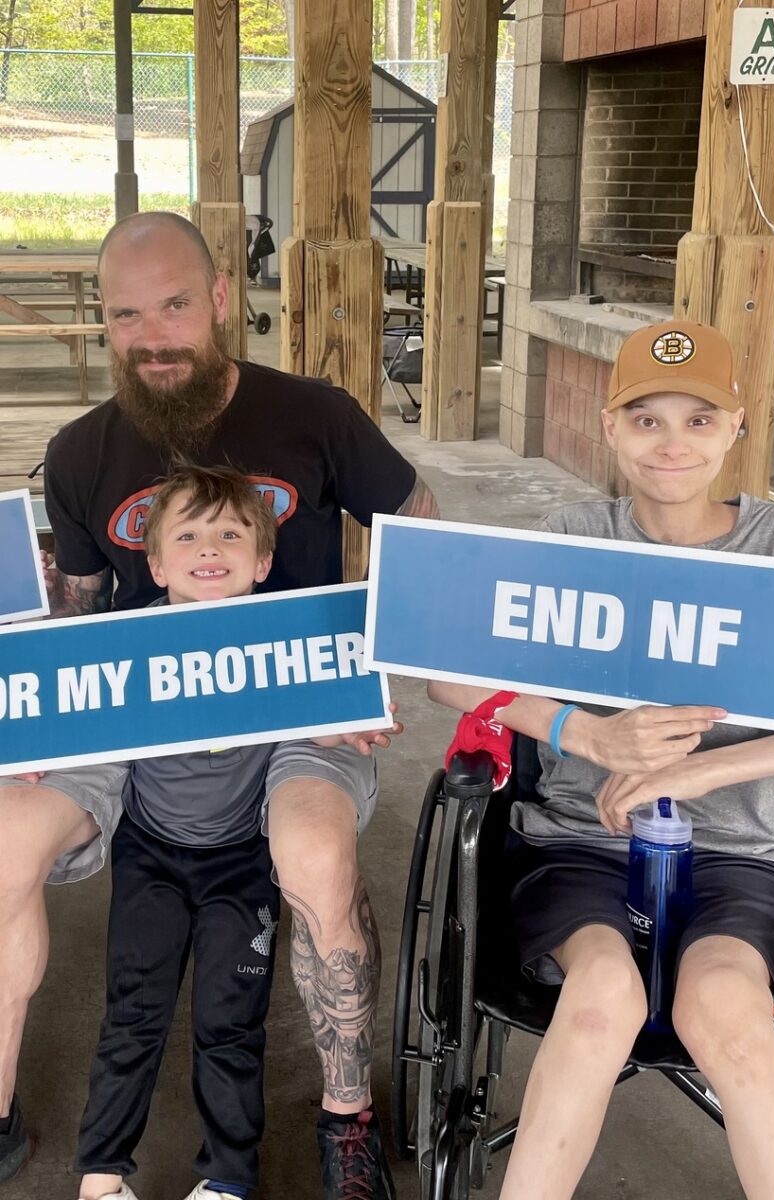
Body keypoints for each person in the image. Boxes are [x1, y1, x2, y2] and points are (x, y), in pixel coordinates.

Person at [0, 211, 436, 1197]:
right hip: (142, 704)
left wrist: (372, 670)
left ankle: (345, 1117)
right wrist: (33, 711)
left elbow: (426, 540)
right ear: (102, 324)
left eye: (175, 305)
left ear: (223, 302)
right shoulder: (77, 455)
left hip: (299, 713)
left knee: (314, 850)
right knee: (2, 834)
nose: (153, 336)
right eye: (125, 316)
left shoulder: (316, 416)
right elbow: (74, 613)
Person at [428, 319, 774, 1200]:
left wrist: (703, 770)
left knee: (722, 1008)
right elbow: (448, 679)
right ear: (610, 428)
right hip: (583, 843)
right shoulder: (575, 536)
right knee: (603, 996)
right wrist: (586, 733)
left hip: (743, 854)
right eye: (646, 419)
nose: (671, 443)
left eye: (697, 419)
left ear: (736, 428)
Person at [75, 464, 283, 1200]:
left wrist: (358, 722)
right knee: (134, 1012)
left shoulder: (287, 648)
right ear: (157, 563)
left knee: (231, 1020)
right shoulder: (124, 648)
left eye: (232, 533)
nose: (210, 547)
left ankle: (227, 1178)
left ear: (262, 561)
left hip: (244, 860)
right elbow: (65, 709)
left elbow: (338, 712)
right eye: (188, 534)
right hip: (151, 853)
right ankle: (101, 1174)